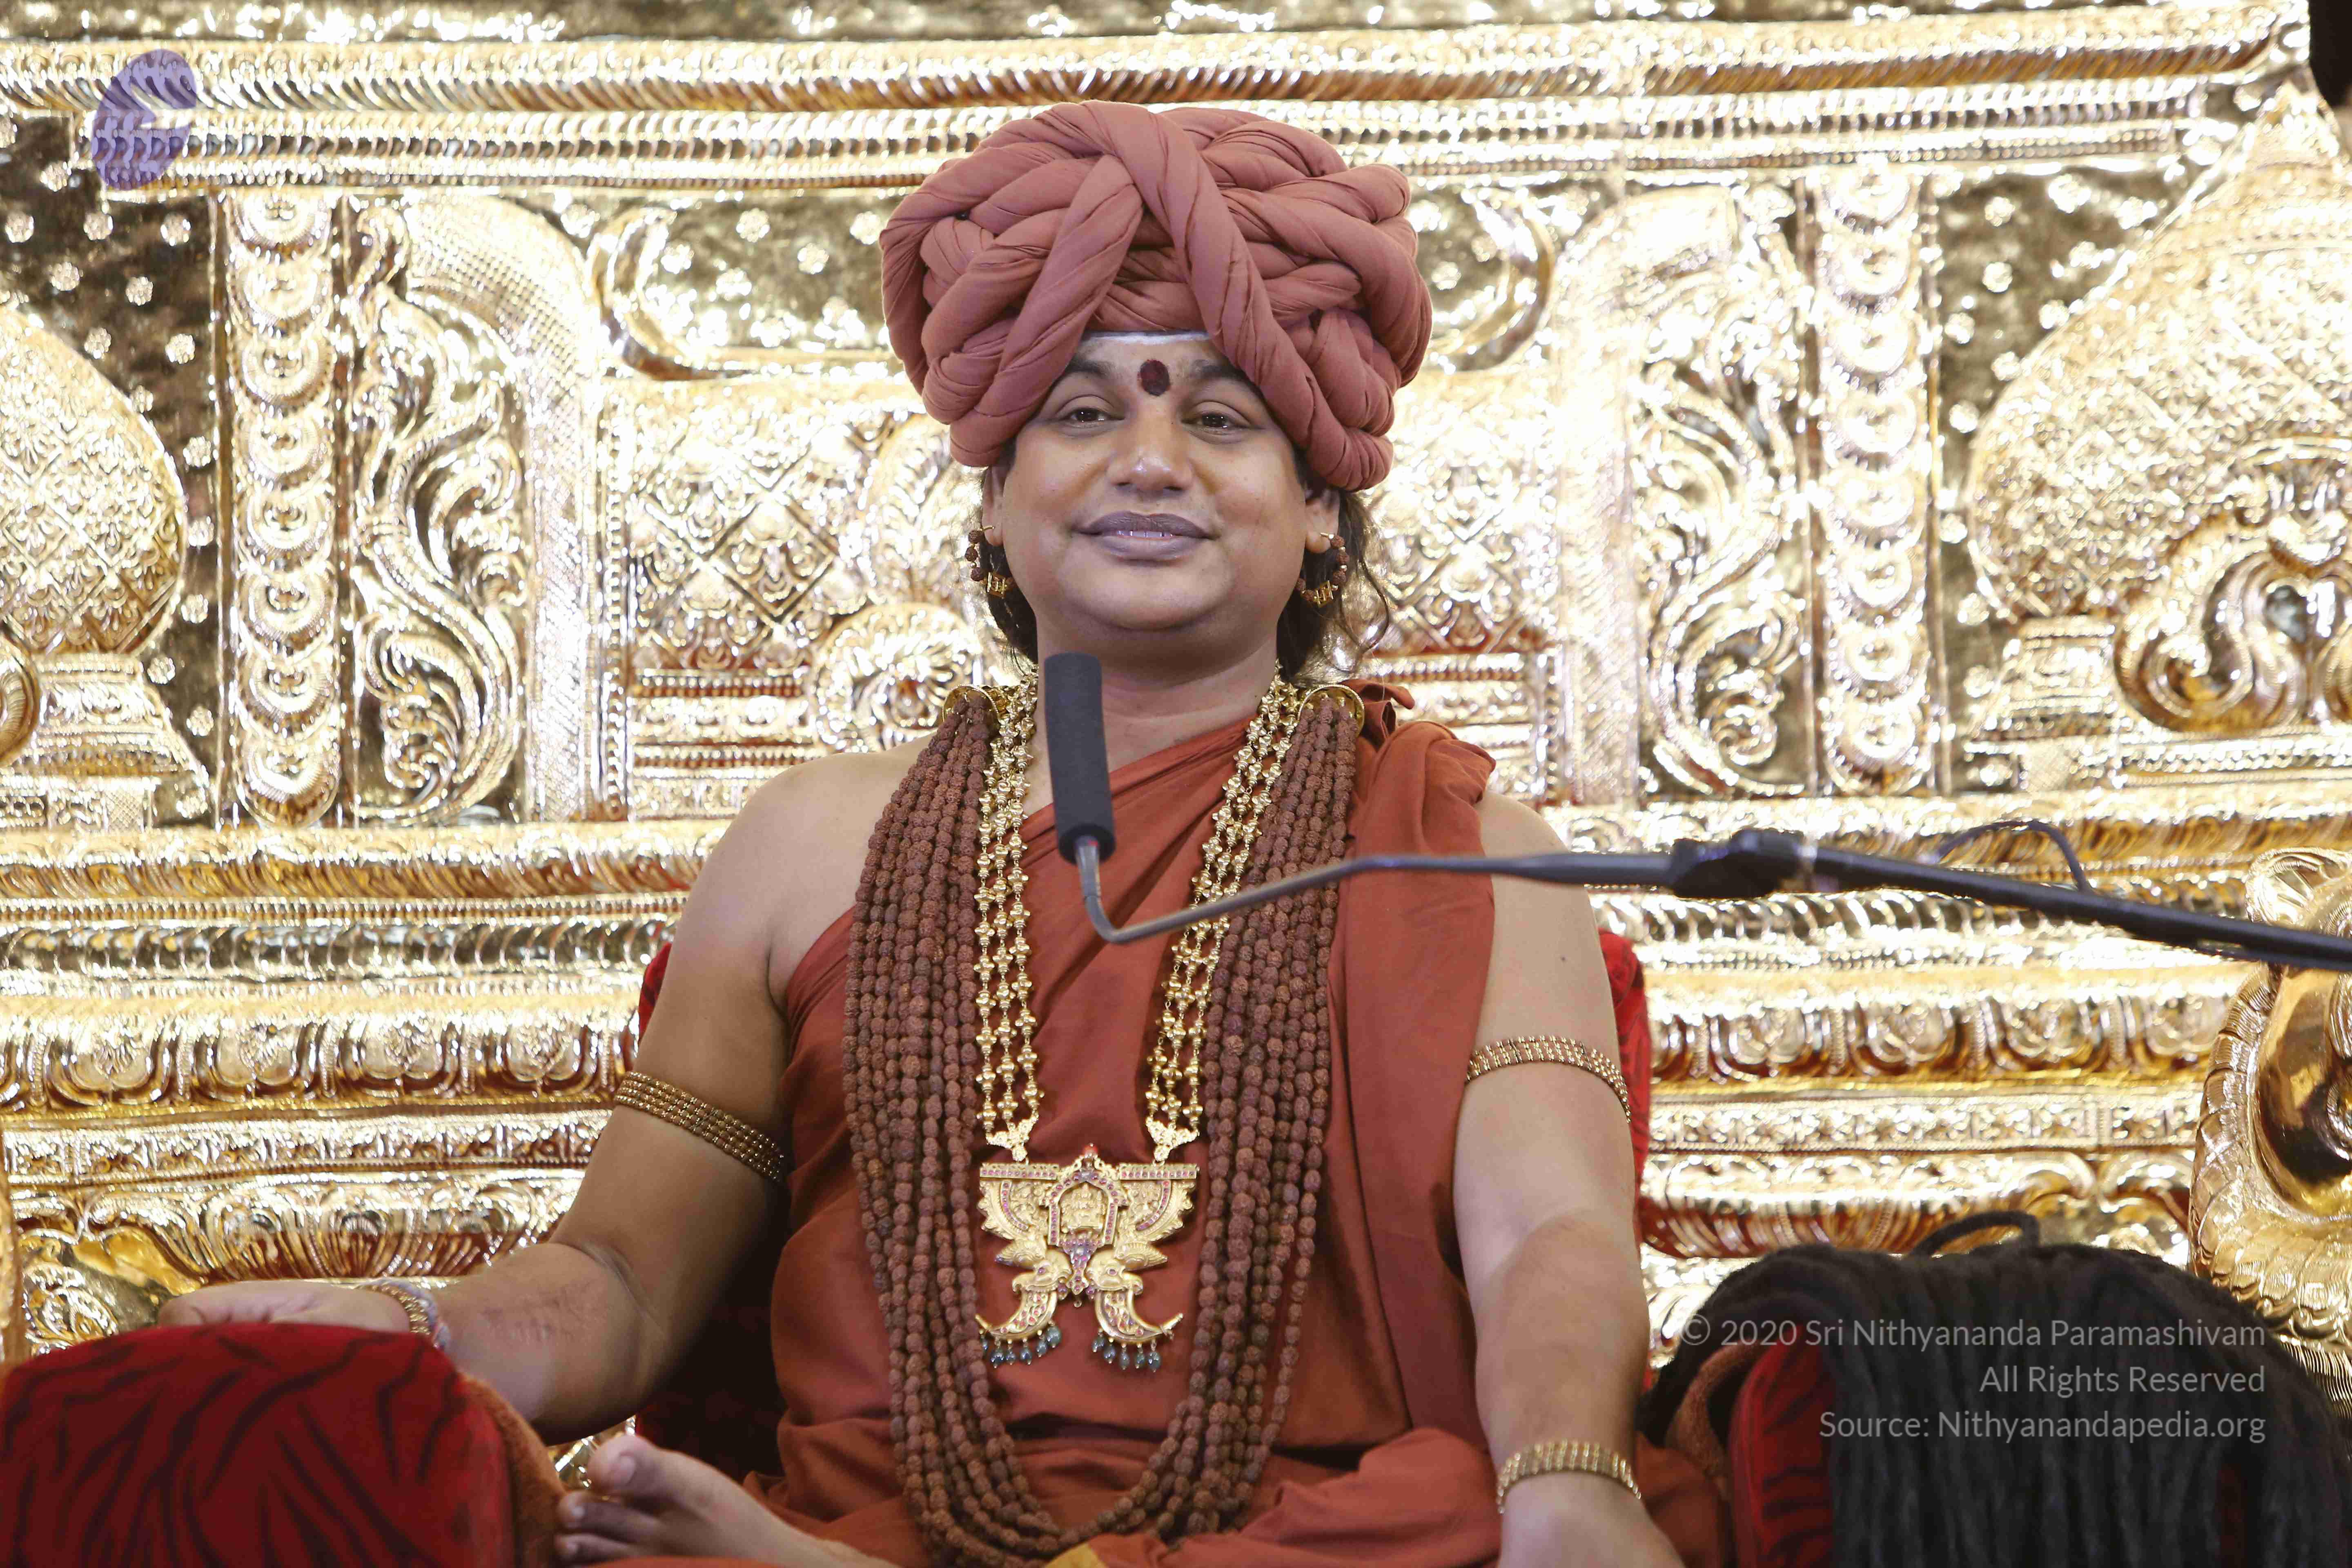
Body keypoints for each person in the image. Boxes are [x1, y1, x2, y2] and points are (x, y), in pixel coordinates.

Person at [158, 102, 1712, 1568]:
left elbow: (1549, 1239)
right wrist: (410, 1331)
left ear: (1319, 505)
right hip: (880, 1507)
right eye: (1082, 412)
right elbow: (621, 1283)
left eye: (1221, 417)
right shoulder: (811, 845)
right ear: (993, 503)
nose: (1149, 461)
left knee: (1447, 1517)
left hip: (1299, 1530)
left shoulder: (1456, 847)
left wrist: (1571, 1488)